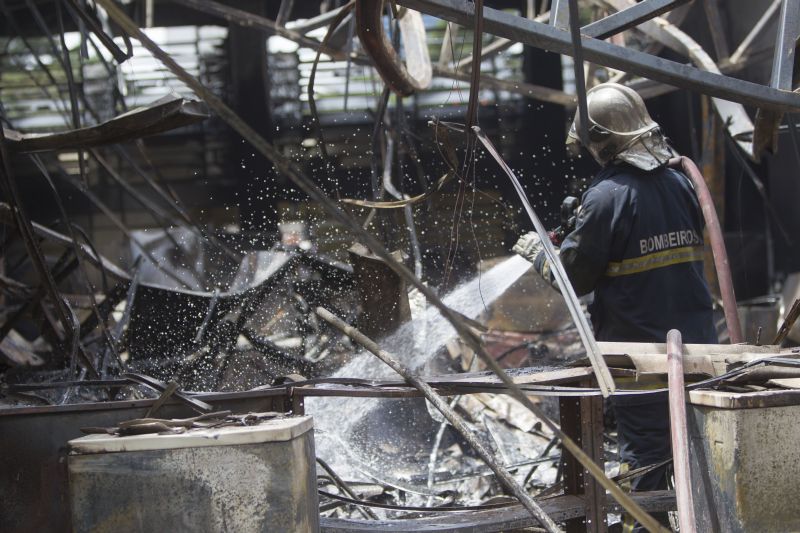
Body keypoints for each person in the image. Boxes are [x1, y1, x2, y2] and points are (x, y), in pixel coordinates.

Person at [513, 83, 717, 530]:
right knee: (701, 457)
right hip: (703, 352)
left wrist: (538, 254)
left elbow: (575, 278)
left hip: (639, 360)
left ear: (601, 142)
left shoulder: (606, 196)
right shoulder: (681, 181)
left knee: (645, 468)